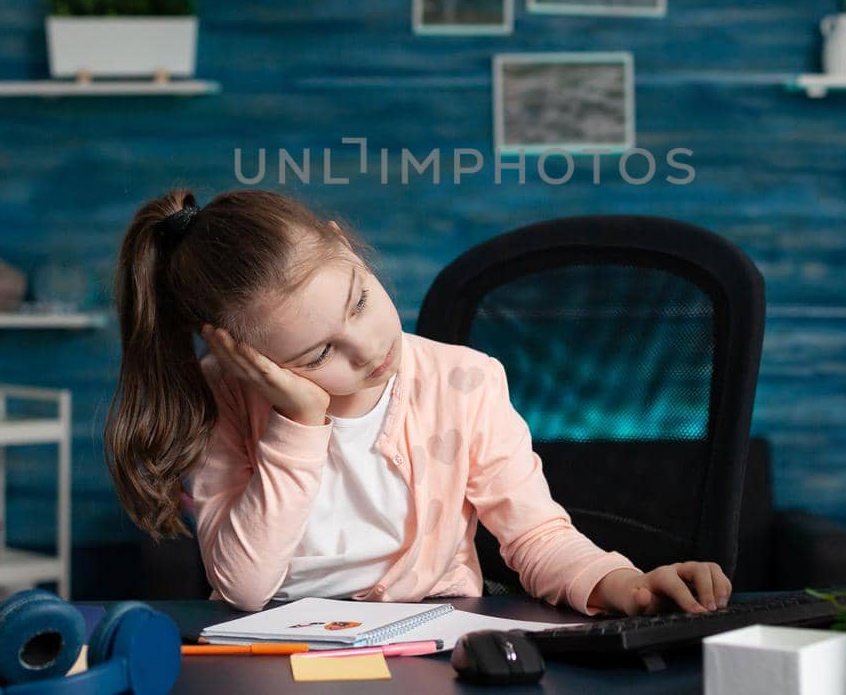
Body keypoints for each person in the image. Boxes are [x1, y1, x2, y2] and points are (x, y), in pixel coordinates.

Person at [105, 188, 731, 616]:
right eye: (317, 355)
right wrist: (298, 420)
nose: (368, 346)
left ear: (344, 245)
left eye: (359, 300)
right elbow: (242, 588)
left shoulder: (466, 382)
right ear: (250, 359)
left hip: (429, 647)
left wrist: (621, 582)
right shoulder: (225, 398)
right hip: (274, 656)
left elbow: (535, 535)